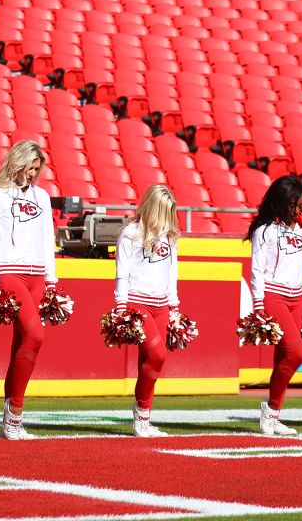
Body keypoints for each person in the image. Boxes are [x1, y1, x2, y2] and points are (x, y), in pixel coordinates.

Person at [0, 140, 57, 440]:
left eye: (37, 169)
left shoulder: (43, 197)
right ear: (17, 162)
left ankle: (8, 419)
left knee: (20, 345)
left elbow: (48, 240)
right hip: (9, 273)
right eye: (30, 167)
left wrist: (51, 282)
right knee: (36, 335)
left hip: (37, 275)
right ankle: (15, 417)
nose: (33, 173)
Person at [113, 185, 181, 438]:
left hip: (161, 304)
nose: (167, 217)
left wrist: (174, 306)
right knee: (157, 354)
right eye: (164, 211)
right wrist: (121, 308)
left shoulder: (169, 236)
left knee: (150, 360)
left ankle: (143, 418)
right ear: (153, 208)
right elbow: (122, 273)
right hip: (137, 303)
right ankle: (141, 412)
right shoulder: (130, 233)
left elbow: (172, 273)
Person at [246, 175, 302, 436]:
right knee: (296, 354)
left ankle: (273, 416)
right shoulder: (265, 230)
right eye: (293, 205)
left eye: (301, 205)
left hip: (296, 298)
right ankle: (270, 411)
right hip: (273, 295)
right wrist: (259, 304)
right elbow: (257, 269)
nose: (297, 211)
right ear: (280, 203)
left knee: (284, 357)